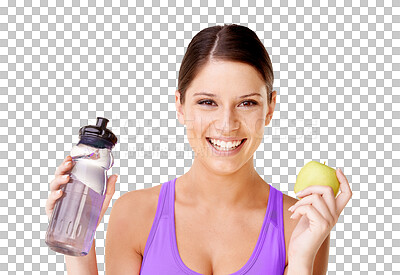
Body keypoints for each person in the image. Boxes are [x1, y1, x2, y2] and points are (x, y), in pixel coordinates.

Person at [45, 24, 352, 275]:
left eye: (247, 103)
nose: (227, 124)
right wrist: (75, 238)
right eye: (207, 102)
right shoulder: (135, 214)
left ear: (270, 108)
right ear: (180, 106)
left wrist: (300, 261)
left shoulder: (302, 222)